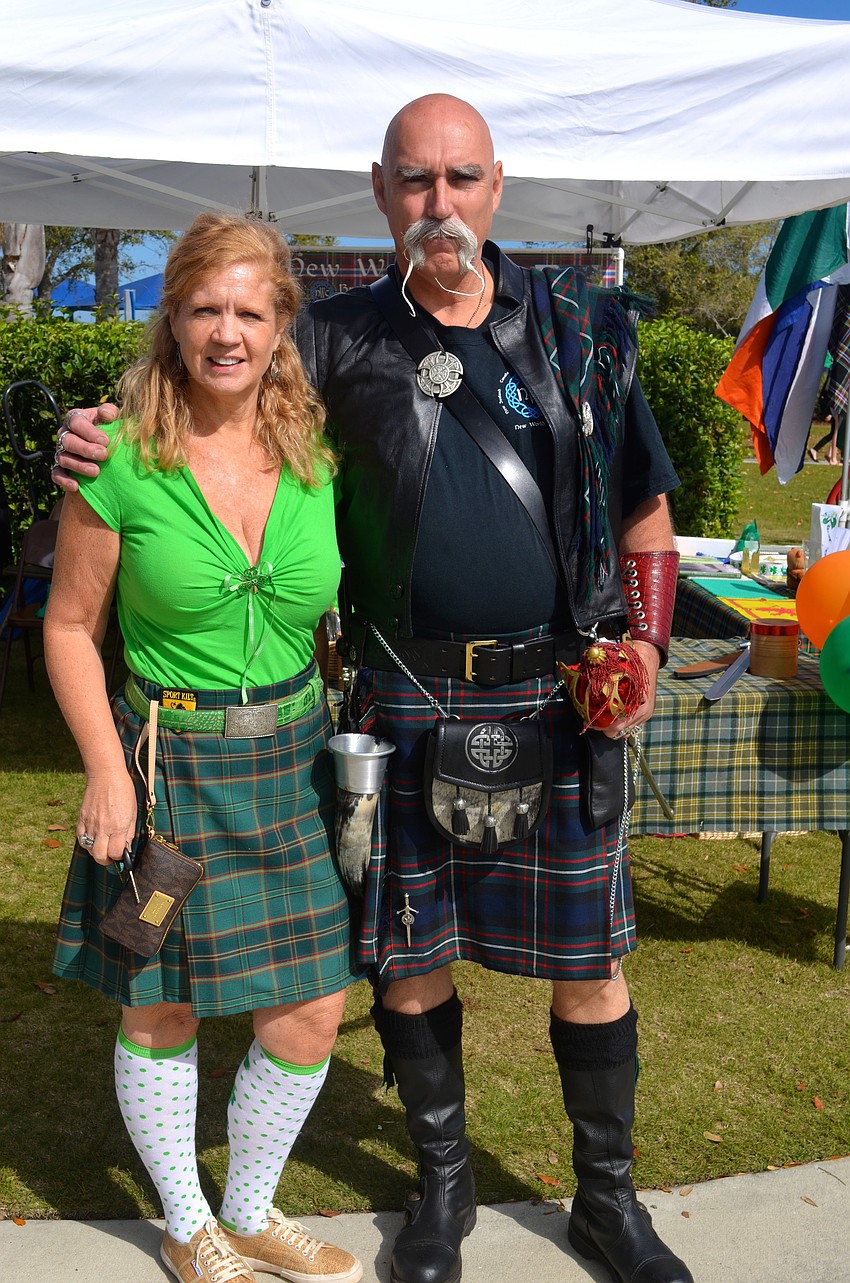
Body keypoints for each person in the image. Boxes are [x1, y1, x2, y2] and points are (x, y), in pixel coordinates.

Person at [55, 96, 693, 1283]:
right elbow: (211, 368)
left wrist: (646, 644)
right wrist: (90, 438)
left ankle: (609, 1201)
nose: (436, 205)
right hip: (403, 703)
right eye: (413, 182)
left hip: (559, 696)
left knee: (590, 963)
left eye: (458, 179)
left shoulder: (586, 332)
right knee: (410, 955)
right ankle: (439, 1192)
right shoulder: (338, 339)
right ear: (379, 190)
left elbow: (648, 510)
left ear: (496, 186)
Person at [45, 213, 363, 1283]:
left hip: (292, 763)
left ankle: (253, 1204)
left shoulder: (311, 457)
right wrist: (102, 766)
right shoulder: (119, 458)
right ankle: (188, 1223)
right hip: (168, 769)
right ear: (171, 317)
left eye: (249, 310)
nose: (226, 331)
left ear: (281, 325)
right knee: (159, 995)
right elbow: (66, 627)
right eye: (204, 308)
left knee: (314, 1003)